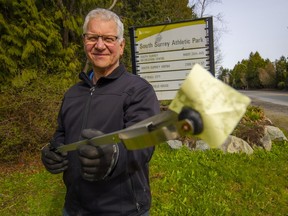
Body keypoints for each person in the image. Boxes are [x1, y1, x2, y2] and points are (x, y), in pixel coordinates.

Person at [41, 8, 160, 216]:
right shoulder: (72, 93)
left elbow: (145, 141)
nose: (99, 45)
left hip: (122, 209)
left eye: (108, 38)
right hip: (74, 208)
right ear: (84, 41)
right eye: (92, 37)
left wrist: (115, 157)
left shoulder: (139, 90)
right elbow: (62, 133)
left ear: (121, 46)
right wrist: (53, 151)